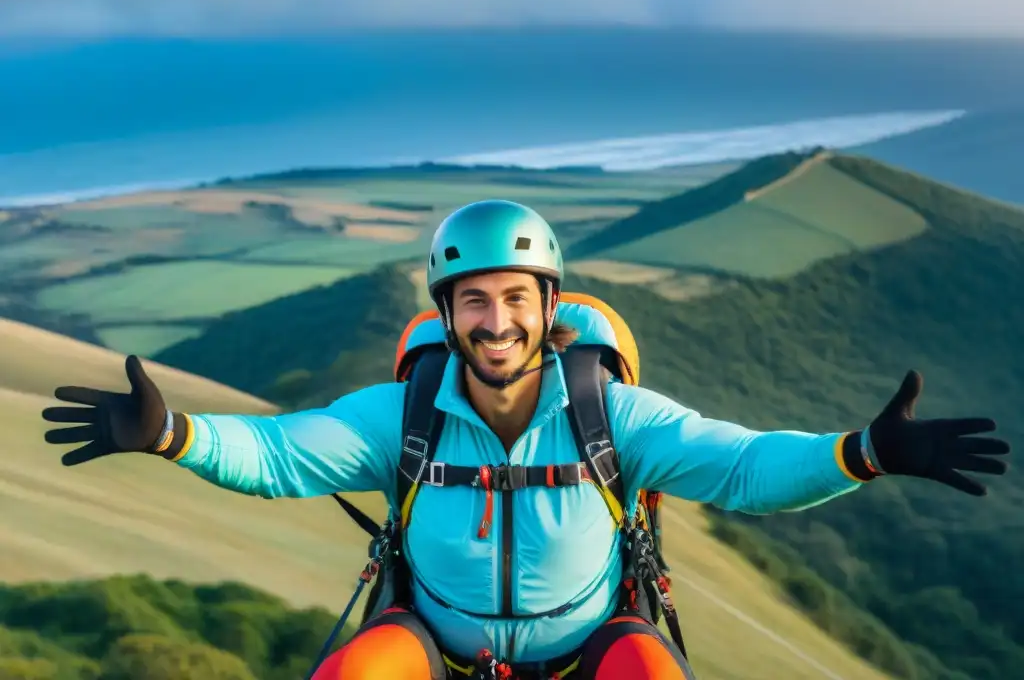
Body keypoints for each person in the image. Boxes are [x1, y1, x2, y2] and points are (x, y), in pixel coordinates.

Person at [41, 200, 1010, 680]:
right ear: (447, 313)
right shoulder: (401, 415)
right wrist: (171, 434)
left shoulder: (611, 415)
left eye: (515, 299)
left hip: (590, 644)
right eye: (474, 301)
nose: (495, 321)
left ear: (550, 311)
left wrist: (863, 455)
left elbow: (746, 466)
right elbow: (282, 455)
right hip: (436, 643)